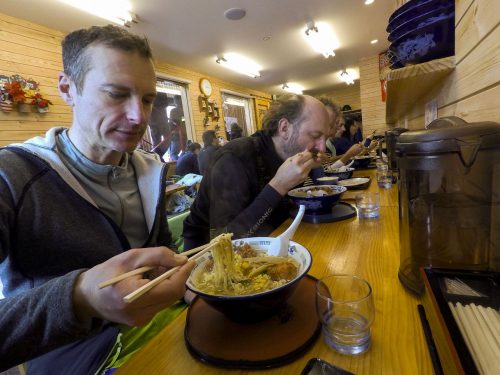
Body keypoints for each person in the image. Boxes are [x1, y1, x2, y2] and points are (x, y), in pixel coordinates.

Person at [0, 25, 195, 373]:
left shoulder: (149, 171)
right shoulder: (11, 175)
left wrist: (191, 286)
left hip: (163, 330)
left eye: (147, 99)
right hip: (70, 357)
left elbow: (164, 256)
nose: (139, 117)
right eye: (117, 94)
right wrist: (79, 298)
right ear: (67, 89)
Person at [182, 94, 329, 250]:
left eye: (326, 138)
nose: (322, 148)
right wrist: (278, 186)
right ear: (284, 128)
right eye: (315, 136)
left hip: (269, 245)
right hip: (202, 261)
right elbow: (226, 241)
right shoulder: (234, 159)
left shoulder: (289, 156)